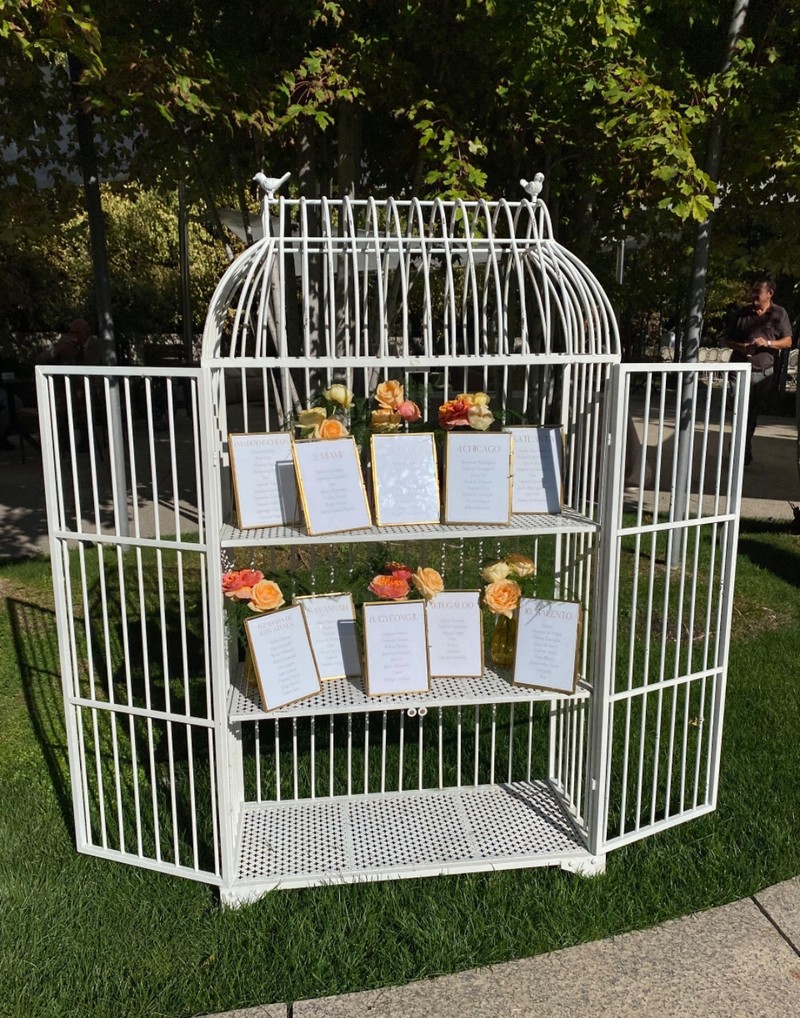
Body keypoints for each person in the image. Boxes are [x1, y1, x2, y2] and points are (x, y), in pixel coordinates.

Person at [725, 277, 792, 466]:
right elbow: (726, 340)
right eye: (752, 291)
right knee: (738, 409)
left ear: (769, 293)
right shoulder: (742, 313)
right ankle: (739, 448)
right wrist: (742, 347)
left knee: (751, 411)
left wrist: (767, 343)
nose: (753, 295)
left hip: (762, 371)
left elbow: (788, 341)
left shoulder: (779, 313)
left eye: (757, 292)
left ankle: (743, 446)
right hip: (738, 369)